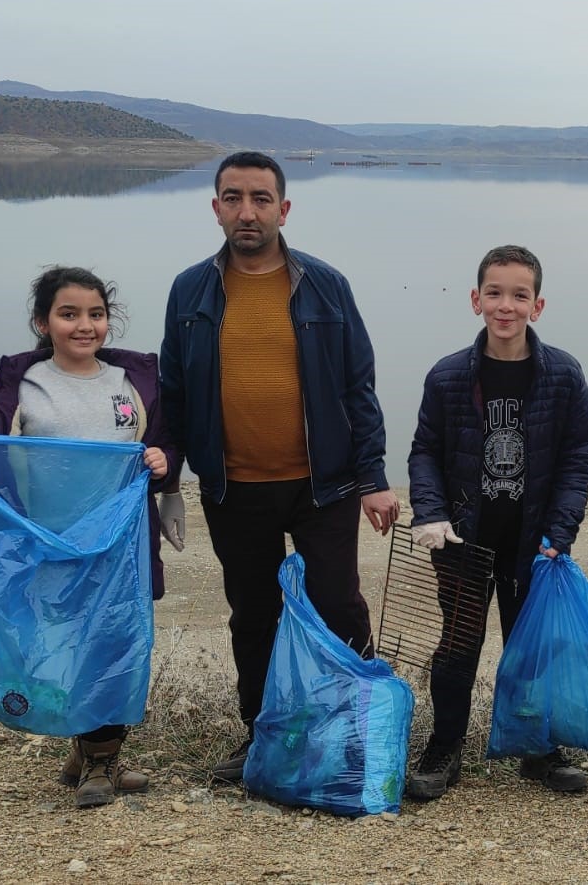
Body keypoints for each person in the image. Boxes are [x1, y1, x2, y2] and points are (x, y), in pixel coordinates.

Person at [158, 151, 401, 786]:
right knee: (254, 613)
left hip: (324, 484)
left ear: (283, 209)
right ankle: (263, 733)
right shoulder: (190, 290)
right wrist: (169, 484)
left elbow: (358, 387)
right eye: (233, 198)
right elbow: (174, 392)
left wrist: (372, 478)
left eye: (260, 198)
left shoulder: (325, 285)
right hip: (232, 487)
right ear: (215, 208)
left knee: (338, 607)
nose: (247, 211)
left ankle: (354, 728)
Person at [0, 266, 183, 809]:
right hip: (47, 544)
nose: (84, 326)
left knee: (117, 644)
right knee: (66, 646)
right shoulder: (20, 387)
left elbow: (161, 453)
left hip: (121, 548)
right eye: (68, 314)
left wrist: (163, 464)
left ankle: (97, 761)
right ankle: (90, 750)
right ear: (42, 322)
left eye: (96, 314)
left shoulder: (134, 384)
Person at [404, 244, 588, 800]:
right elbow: (425, 451)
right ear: (475, 300)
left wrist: (560, 534)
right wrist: (432, 513)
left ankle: (538, 750)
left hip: (533, 546)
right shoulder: (446, 377)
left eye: (519, 295)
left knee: (532, 648)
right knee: (458, 648)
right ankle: (444, 750)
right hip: (464, 543)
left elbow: (577, 454)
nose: (505, 306)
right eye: (494, 293)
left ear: (537, 306)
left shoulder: (563, 374)